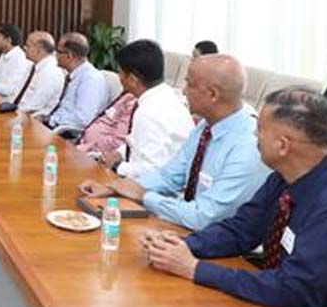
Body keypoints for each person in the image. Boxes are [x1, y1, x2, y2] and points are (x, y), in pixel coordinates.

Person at [142, 87, 327, 307]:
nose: (254, 136)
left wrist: (194, 268)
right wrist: (178, 245)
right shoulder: (284, 176)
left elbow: (296, 287)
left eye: (260, 129)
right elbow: (241, 230)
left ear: (283, 145)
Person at [79, 54, 269, 230]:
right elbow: (169, 176)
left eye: (190, 84)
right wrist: (116, 188)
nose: (184, 92)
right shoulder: (207, 125)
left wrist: (144, 196)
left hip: (222, 242)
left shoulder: (248, 146)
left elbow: (203, 216)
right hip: (188, 227)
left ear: (213, 94)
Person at [95, 39, 193, 179]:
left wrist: (116, 166)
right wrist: (118, 154)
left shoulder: (150, 113)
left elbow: (151, 171)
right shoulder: (164, 97)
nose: (119, 77)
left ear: (133, 79)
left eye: (120, 73)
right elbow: (140, 144)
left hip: (153, 188)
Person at [45, 32, 109, 130]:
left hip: (66, 132)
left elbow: (82, 119)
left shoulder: (90, 79)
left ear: (69, 56)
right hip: (55, 124)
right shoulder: (72, 75)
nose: (54, 55)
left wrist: (51, 120)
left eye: (58, 51)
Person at [0, 31, 64, 117]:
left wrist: (10, 114)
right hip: (16, 112)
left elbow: (33, 106)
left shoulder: (50, 71)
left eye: (28, 46)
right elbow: (16, 93)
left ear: (38, 50)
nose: (24, 48)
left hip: (31, 119)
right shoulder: (32, 65)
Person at [75, 91, 138, 155]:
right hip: (83, 142)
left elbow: (118, 141)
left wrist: (91, 145)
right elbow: (107, 118)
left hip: (96, 152)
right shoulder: (128, 96)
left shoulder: (134, 106)